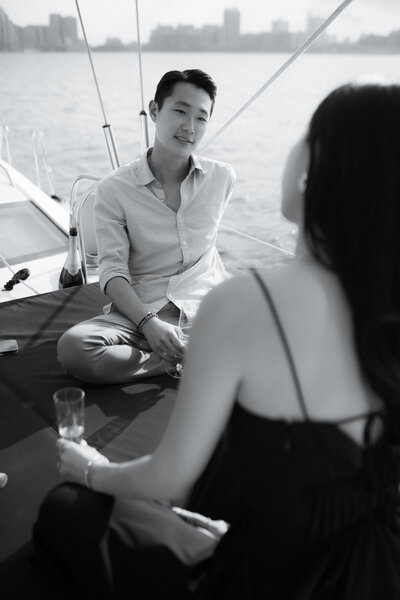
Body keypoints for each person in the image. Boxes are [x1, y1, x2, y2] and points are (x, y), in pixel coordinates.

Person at [34, 81, 400, 598]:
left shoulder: (245, 303)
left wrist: (93, 470)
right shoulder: (383, 310)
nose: (191, 125)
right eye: (180, 112)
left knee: (63, 510)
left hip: (269, 578)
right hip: (369, 569)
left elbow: (172, 479)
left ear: (314, 170)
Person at [57, 69, 235, 384]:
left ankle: (183, 355)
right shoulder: (114, 189)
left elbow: (212, 257)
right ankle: (190, 357)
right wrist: (149, 324)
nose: (189, 127)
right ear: (154, 110)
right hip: (143, 311)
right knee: (75, 349)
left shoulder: (221, 179)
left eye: (201, 118)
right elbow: (112, 272)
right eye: (180, 111)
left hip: (206, 308)